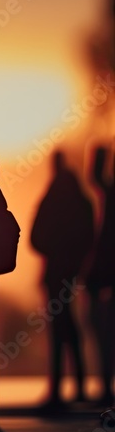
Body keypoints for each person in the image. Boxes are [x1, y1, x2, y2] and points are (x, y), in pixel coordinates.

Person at [30, 151, 93, 412]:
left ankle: (59, 387)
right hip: (69, 272)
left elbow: (35, 236)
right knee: (68, 325)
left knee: (60, 327)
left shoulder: (53, 196)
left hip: (56, 272)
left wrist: (54, 252)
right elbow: (89, 236)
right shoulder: (80, 199)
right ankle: (78, 384)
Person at [87, 144, 115, 407]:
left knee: (103, 329)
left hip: (105, 271)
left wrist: (99, 153)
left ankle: (106, 385)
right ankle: (105, 384)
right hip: (103, 271)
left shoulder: (109, 193)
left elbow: (96, 177)